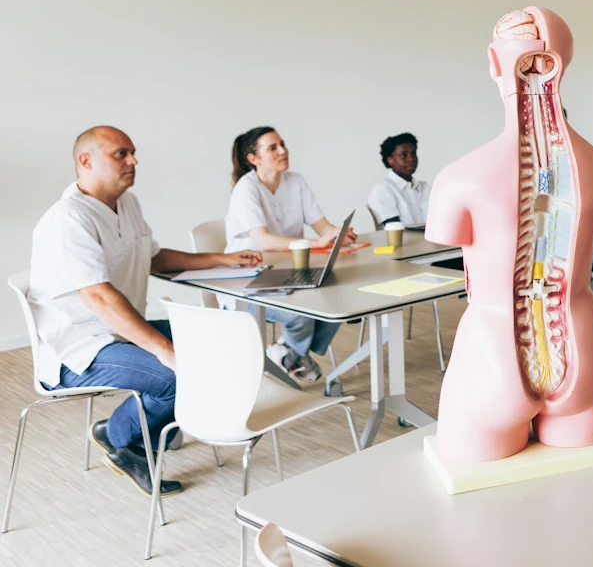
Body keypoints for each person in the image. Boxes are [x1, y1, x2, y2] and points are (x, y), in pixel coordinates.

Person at [27, 126, 261, 496]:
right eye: (120, 154)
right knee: (178, 376)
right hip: (78, 348)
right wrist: (164, 350)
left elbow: (154, 257)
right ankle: (125, 443)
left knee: (215, 340)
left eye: (133, 152)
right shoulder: (67, 220)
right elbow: (100, 298)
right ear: (85, 161)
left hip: (119, 332)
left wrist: (222, 258)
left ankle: (125, 429)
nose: (133, 161)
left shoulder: (127, 204)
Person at [226, 127, 355, 382]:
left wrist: (338, 233)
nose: (283, 150)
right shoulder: (246, 189)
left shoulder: (295, 181)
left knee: (338, 300)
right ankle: (293, 354)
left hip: (288, 274)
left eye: (282, 144)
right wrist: (316, 242)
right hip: (245, 282)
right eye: (273, 148)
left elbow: (322, 226)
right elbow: (264, 240)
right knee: (299, 313)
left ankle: (288, 353)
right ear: (254, 158)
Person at [367, 133, 430, 228]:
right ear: (390, 160)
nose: (411, 159)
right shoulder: (383, 189)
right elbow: (394, 228)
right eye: (403, 156)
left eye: (413, 153)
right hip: (403, 242)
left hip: (430, 240)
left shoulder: (425, 187)